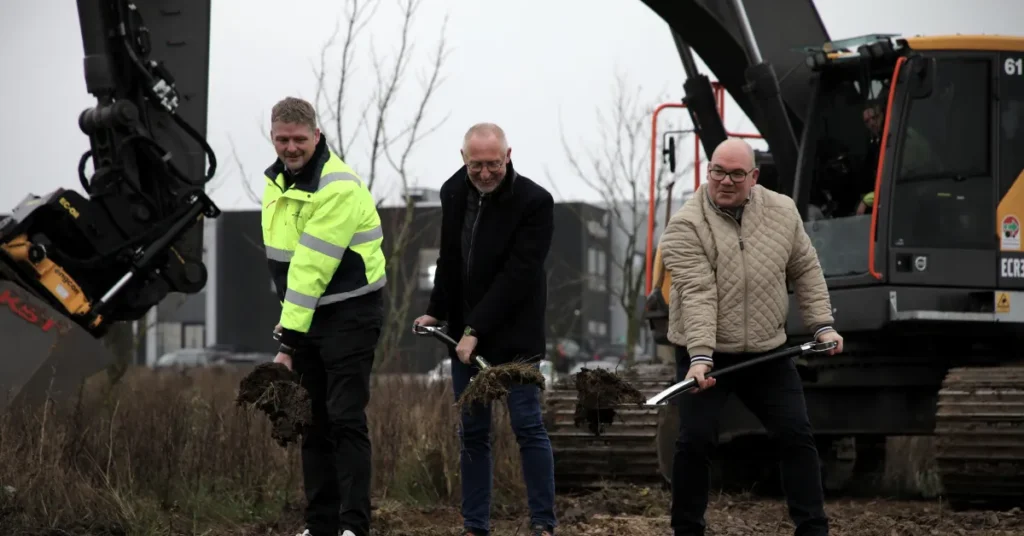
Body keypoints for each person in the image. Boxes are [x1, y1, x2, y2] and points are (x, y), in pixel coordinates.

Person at [659, 138, 844, 536]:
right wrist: (700, 358)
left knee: (796, 434)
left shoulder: (782, 211)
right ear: (708, 172)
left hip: (767, 350)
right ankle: (686, 530)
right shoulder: (685, 225)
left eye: (736, 174)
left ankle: (813, 529)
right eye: (717, 172)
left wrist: (822, 325)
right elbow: (697, 293)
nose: (725, 181)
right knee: (694, 440)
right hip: (705, 355)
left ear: (754, 177)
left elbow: (806, 270)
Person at [412, 123, 557, 536]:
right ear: (463, 159)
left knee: (527, 426)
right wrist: (437, 310)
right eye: (477, 164)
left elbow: (519, 275)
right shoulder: (453, 191)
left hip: (516, 337)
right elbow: (451, 257)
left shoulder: (534, 202)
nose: (486, 172)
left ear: (508, 155)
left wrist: (475, 328)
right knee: (473, 432)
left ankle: (543, 524)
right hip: (464, 340)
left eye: (493, 163)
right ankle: (475, 525)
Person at [261, 96, 387, 536]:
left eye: (299, 139)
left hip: (351, 314)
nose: (291, 147)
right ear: (272, 137)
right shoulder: (276, 183)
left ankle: (354, 526)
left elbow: (312, 266)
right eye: (282, 139)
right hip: (308, 316)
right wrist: (289, 320)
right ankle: (320, 526)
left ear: (316, 136)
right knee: (312, 421)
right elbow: (285, 265)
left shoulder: (338, 187)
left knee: (345, 418)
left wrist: (286, 344)